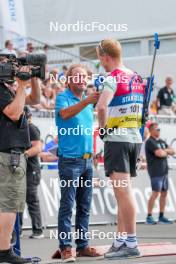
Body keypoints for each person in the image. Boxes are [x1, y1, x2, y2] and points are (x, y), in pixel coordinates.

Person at [96, 39, 144, 259]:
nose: (100, 63)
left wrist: (103, 130)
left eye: (100, 58)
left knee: (123, 193)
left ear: (106, 56)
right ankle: (120, 240)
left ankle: (131, 242)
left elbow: (102, 106)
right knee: (121, 193)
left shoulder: (112, 77)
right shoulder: (135, 76)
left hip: (117, 139)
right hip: (134, 138)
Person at [54, 64, 101, 262]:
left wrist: (93, 155)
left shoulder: (88, 101)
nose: (82, 79)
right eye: (78, 76)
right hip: (69, 162)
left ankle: (82, 246)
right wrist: (87, 101)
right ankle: (65, 247)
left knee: (84, 206)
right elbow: (65, 114)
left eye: (84, 76)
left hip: (87, 161)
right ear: (70, 80)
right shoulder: (62, 97)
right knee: (67, 205)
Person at [0, 67, 41, 263]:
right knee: (9, 204)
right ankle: (4, 251)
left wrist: (33, 79)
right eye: (6, 62)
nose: (11, 66)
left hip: (10, 154)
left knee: (9, 204)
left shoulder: (6, 88)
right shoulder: (0, 89)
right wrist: (22, 83)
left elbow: (34, 99)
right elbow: (14, 113)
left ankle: (5, 249)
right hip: (7, 154)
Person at [19, 107, 44, 239]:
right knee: (18, 201)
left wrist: (24, 155)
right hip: (23, 170)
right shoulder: (21, 129)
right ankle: (18, 230)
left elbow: (38, 147)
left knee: (32, 200)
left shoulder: (31, 128)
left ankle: (38, 230)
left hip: (31, 170)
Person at [145, 122, 175, 224]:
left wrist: (164, 151)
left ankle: (161, 216)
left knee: (164, 193)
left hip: (164, 171)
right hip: (155, 171)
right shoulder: (150, 142)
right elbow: (159, 154)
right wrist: (165, 151)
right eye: (157, 129)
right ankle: (149, 216)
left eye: (159, 129)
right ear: (152, 131)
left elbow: (172, 151)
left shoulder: (161, 141)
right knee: (156, 193)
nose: (159, 131)